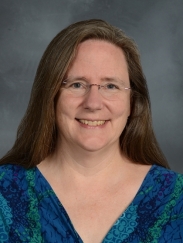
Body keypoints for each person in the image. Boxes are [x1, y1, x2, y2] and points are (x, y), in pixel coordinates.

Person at [0, 19, 182, 243]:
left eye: (111, 86)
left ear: (133, 103)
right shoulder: (4, 195)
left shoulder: (176, 200)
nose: (93, 103)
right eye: (77, 84)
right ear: (50, 96)